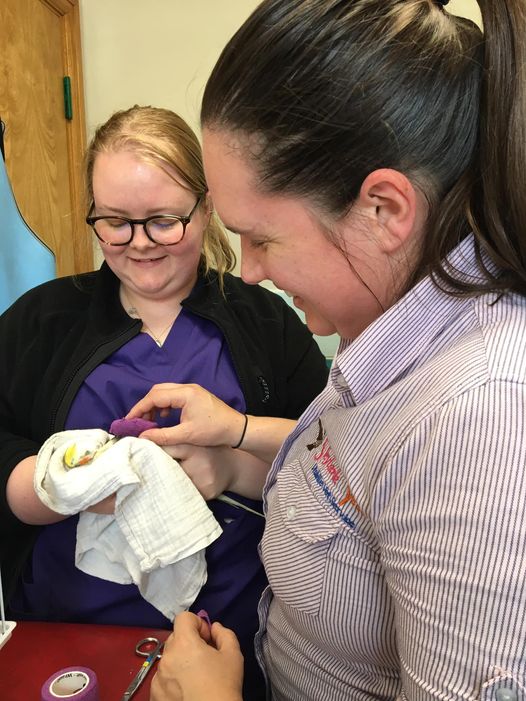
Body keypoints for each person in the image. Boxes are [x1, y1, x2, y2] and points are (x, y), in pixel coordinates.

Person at [125, 1, 526, 699]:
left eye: (263, 237)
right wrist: (238, 440)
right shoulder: (389, 321)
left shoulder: (480, 417)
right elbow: (361, 485)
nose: (247, 270)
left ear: (384, 211)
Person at [0, 105, 329, 700]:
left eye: (163, 221)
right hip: (69, 640)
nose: (139, 243)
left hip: (229, 642)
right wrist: (55, 488)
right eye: (116, 222)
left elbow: (332, 454)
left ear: (206, 210)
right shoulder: (38, 323)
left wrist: (232, 465)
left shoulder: (265, 320)